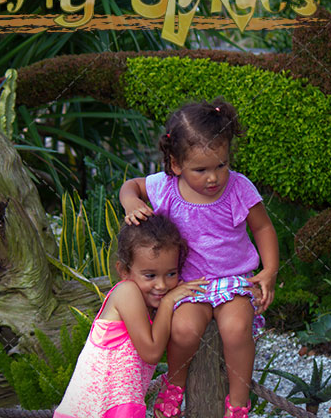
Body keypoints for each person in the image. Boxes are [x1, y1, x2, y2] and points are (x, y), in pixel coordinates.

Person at [119, 98, 279, 418]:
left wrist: (270, 270)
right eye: (201, 169)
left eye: (221, 165)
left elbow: (262, 228)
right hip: (189, 282)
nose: (213, 178)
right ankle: (174, 387)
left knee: (236, 330)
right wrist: (130, 204)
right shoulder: (165, 187)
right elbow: (130, 186)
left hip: (233, 279)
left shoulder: (238, 188)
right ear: (176, 164)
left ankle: (237, 404)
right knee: (183, 330)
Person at [53, 215, 208, 418]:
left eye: (171, 274)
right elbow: (151, 352)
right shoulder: (127, 292)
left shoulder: (150, 306)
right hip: (95, 411)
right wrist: (169, 303)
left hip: (121, 408)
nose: (161, 285)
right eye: (150, 275)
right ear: (124, 271)